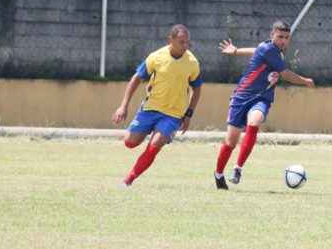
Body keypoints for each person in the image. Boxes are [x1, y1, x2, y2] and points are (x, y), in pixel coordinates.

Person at [213, 20, 315, 190]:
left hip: (262, 98)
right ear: (272, 35)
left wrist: (237, 51)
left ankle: (238, 168)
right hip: (241, 97)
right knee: (230, 142)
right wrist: (305, 81)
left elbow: (256, 49)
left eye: (287, 37)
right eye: (280, 36)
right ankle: (218, 173)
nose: (283, 40)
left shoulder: (269, 48)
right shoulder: (269, 50)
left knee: (254, 121)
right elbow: (286, 74)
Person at [111, 24, 202, 187]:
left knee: (155, 145)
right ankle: (156, 130)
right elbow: (136, 79)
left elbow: (197, 88)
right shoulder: (156, 57)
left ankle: (128, 180)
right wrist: (123, 106)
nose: (185, 46)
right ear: (171, 40)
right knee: (130, 143)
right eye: (182, 42)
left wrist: (188, 114)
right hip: (150, 108)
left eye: (188, 42)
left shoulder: (192, 62)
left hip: (173, 114)